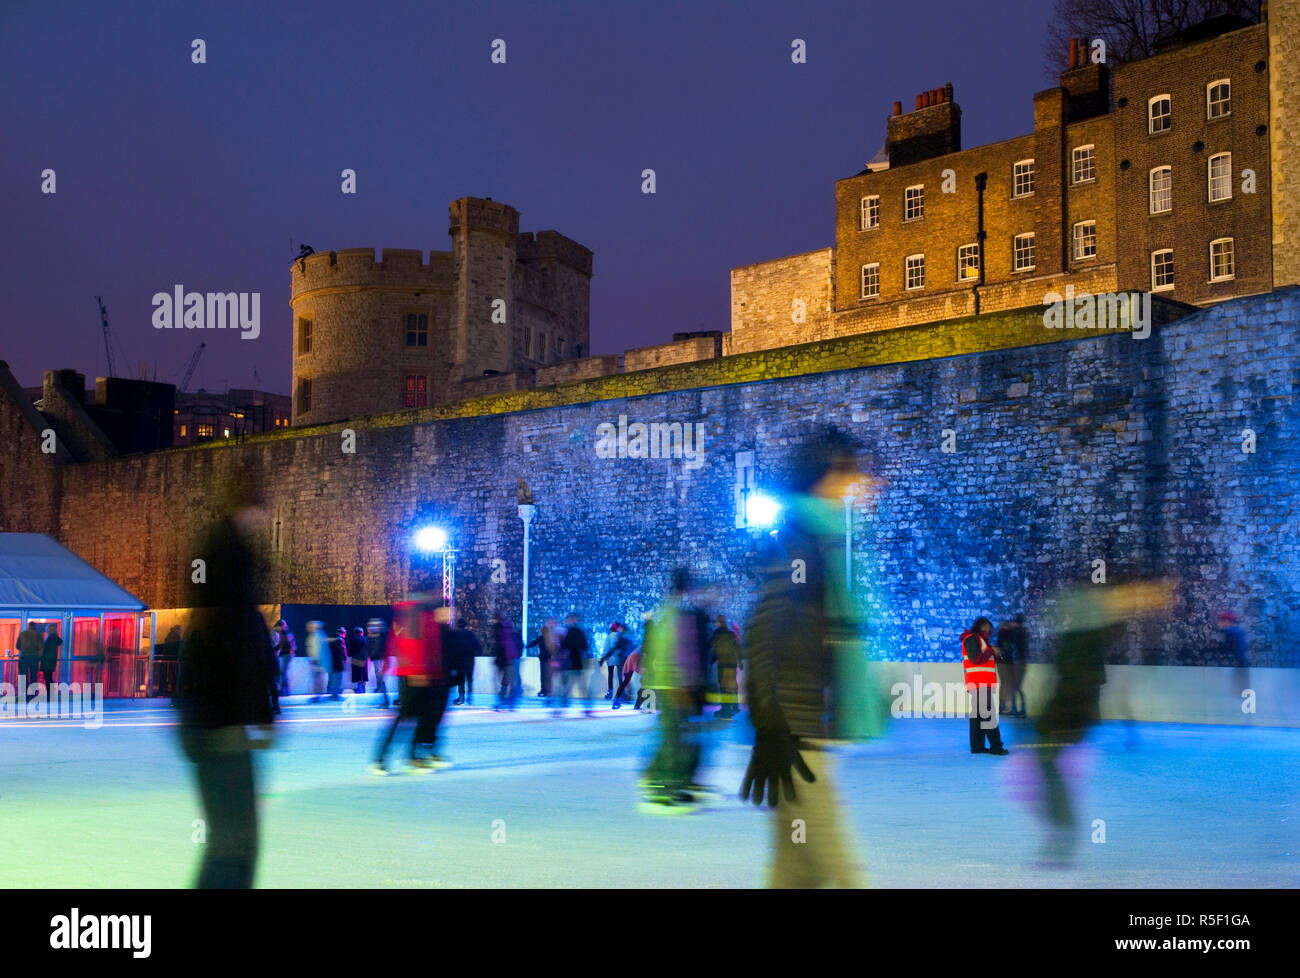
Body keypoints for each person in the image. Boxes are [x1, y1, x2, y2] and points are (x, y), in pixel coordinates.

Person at [741, 426, 884, 887]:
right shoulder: (803, 542)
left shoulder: (824, 543)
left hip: (804, 727)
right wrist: (773, 725)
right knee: (838, 872)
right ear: (825, 478)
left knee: (796, 872)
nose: (861, 486)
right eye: (852, 475)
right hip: (794, 734)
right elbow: (764, 631)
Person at [174, 470, 276, 888]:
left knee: (231, 838)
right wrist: (264, 709)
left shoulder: (219, 552)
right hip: (220, 719)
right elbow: (239, 639)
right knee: (234, 840)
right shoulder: (229, 556)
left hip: (210, 716)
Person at [640, 570, 713, 812]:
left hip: (673, 684)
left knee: (673, 734)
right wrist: (680, 684)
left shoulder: (668, 610)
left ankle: (659, 778)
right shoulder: (678, 613)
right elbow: (676, 651)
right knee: (673, 736)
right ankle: (666, 786)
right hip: (675, 685)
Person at [374, 593, 454, 774]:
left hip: (424, 674)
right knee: (404, 718)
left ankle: (412, 757)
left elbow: (431, 647)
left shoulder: (425, 616)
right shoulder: (413, 612)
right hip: (413, 675)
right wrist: (416, 670)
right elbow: (407, 643)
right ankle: (381, 759)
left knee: (418, 718)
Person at [962, 617, 1008, 755]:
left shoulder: (982, 641)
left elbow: (983, 659)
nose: (989, 630)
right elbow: (975, 658)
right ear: (981, 626)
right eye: (987, 627)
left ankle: (977, 746)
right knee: (988, 714)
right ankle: (996, 747)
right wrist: (991, 651)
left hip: (980, 682)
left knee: (978, 716)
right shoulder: (972, 638)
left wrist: (994, 653)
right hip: (979, 682)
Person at [551, 612, 591, 716]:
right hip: (575, 661)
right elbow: (585, 646)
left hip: (569, 662)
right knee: (578, 686)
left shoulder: (571, 632)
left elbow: (565, 646)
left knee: (566, 686)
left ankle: (561, 708)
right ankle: (586, 708)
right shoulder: (577, 632)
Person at [710, 616, 742, 719]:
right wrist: (740, 661)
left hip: (723, 665)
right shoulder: (730, 634)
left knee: (724, 688)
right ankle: (734, 707)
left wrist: (712, 660)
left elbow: (713, 647)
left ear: (719, 623)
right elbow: (737, 647)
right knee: (732, 687)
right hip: (732, 664)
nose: (715, 624)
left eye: (716, 622)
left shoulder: (716, 634)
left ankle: (726, 710)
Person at [493, 616, 523, 710]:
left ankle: (506, 701)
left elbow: (500, 648)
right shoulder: (514, 636)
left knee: (506, 681)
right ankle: (509, 701)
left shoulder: (506, 636)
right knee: (509, 681)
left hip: (507, 661)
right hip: (510, 661)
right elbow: (520, 646)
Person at [452, 619, 482, 706]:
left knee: (461, 679)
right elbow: (478, 646)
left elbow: (451, 647)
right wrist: (476, 653)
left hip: (460, 660)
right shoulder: (470, 634)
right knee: (469, 679)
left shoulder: (456, 635)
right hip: (469, 659)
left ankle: (462, 697)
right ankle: (470, 697)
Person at [526, 618, 559, 697]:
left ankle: (544, 690)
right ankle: (549, 690)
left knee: (543, 675)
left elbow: (531, 644)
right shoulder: (551, 638)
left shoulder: (540, 638)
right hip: (550, 659)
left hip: (543, 659)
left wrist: (525, 646)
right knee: (549, 676)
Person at [600, 622, 632, 700]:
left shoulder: (609, 637)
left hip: (610, 659)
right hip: (619, 658)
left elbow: (606, 648)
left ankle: (610, 693)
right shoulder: (620, 636)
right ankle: (622, 693)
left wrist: (603, 658)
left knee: (610, 676)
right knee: (620, 676)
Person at [368, 618, 390, 708]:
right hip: (379, 659)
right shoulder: (378, 636)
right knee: (380, 680)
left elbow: (378, 649)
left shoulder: (380, 636)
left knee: (381, 679)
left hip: (380, 659)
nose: (372, 627)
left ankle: (385, 701)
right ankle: (384, 700)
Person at [273, 620, 296, 696]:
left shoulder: (286, 632)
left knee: (283, 672)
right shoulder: (282, 633)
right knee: (283, 672)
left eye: (279, 627)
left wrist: (292, 651)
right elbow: (280, 645)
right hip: (284, 654)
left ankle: (285, 690)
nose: (278, 629)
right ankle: (284, 689)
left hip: (287, 654)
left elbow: (291, 643)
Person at [16, 622, 41, 689]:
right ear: (35, 626)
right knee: (33, 676)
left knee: (23, 675)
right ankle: (33, 692)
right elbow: (41, 647)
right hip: (34, 657)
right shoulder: (38, 635)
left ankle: (23, 692)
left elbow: (17, 646)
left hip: (23, 657)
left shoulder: (22, 634)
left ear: (28, 626)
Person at [39, 622, 62, 688]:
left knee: (48, 679)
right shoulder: (55, 638)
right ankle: (51, 694)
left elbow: (47, 651)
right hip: (51, 661)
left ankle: (50, 694)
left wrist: (42, 658)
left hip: (47, 662)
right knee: (49, 678)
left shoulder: (50, 638)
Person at [348, 626, 369, 694]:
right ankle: (363, 689)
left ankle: (359, 689)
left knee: (358, 674)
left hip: (356, 659)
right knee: (363, 674)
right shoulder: (365, 639)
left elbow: (350, 651)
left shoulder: (353, 640)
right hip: (364, 659)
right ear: (362, 632)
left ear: (355, 633)